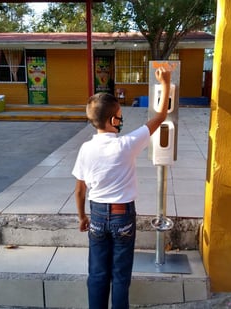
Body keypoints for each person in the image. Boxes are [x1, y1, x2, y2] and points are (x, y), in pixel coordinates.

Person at [72, 67, 171, 309]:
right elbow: (159, 118)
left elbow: (79, 190)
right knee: (120, 276)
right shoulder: (126, 144)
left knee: (96, 274)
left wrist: (82, 217)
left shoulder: (86, 148)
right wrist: (165, 83)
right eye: (119, 114)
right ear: (112, 120)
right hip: (122, 216)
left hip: (96, 215)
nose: (121, 118)